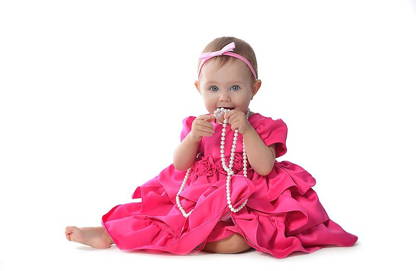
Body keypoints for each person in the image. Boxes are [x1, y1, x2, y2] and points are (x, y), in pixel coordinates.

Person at [65, 36, 358, 258]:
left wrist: (246, 130)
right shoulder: (197, 123)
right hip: (201, 191)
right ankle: (107, 234)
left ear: (254, 89)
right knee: (164, 214)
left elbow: (265, 167)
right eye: (213, 89)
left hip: (251, 193)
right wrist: (192, 138)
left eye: (235, 88)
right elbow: (180, 164)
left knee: (238, 242)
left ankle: (213, 236)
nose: (224, 98)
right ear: (199, 88)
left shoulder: (265, 125)